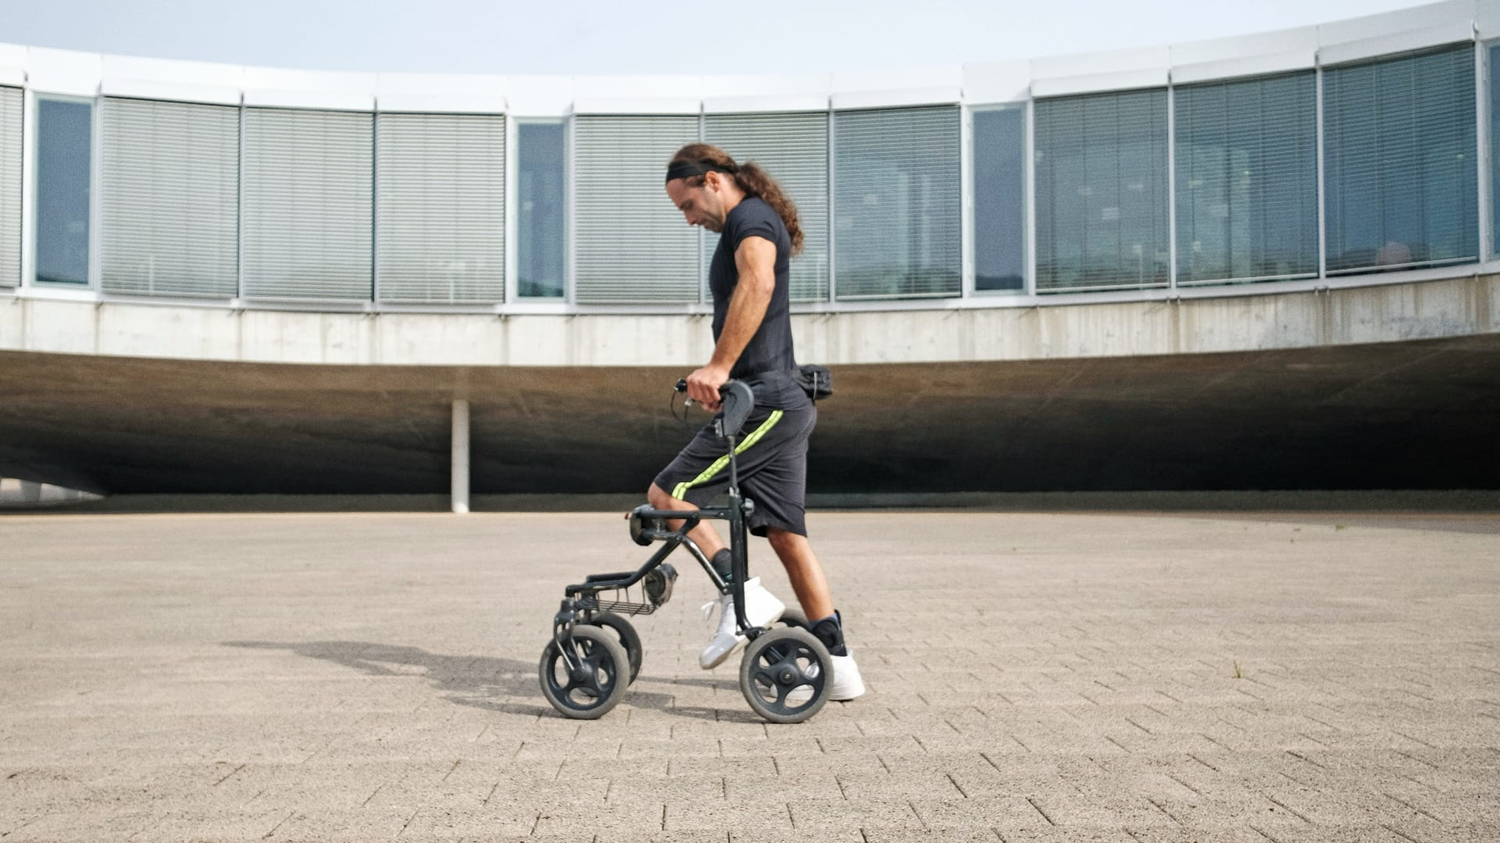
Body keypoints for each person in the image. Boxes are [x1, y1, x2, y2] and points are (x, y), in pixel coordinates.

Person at [651, 143, 864, 701]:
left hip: (769, 402)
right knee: (787, 536)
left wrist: (719, 367)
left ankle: (740, 593)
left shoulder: (749, 219)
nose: (688, 219)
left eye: (687, 205)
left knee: (668, 495)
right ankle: (839, 665)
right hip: (775, 400)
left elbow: (759, 283)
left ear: (712, 181)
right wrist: (728, 385)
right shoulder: (750, 220)